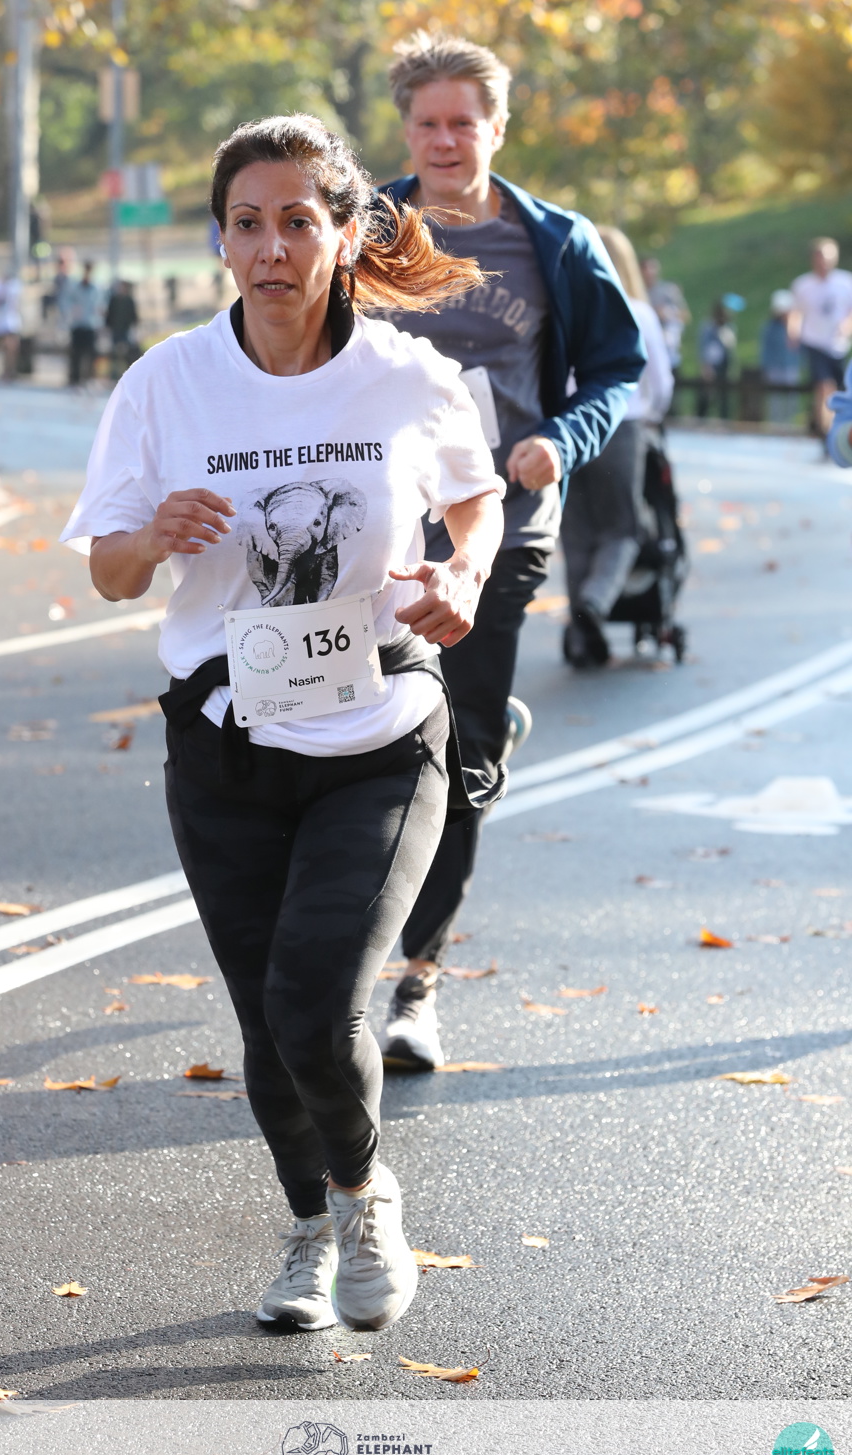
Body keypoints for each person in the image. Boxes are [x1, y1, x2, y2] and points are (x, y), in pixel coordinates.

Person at [59, 114, 505, 1334]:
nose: (271, 248)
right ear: (220, 241)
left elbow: (474, 501)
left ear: (345, 236)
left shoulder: (407, 375)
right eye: (247, 224)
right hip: (226, 748)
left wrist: (461, 574)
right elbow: (108, 571)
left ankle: (365, 1200)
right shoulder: (166, 383)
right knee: (267, 1019)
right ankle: (309, 1225)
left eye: (297, 222)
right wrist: (153, 536)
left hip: (380, 734)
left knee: (315, 1000)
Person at [374, 30, 645, 1068]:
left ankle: (416, 981)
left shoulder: (557, 242)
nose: (445, 140)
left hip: (502, 513)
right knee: (357, 728)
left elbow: (616, 367)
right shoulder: (365, 230)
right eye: (427, 123)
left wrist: (560, 440)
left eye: (463, 122)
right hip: (380, 514)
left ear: (497, 128)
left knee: (457, 753)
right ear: (407, 130)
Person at [560, 226, 673, 668]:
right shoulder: (639, 312)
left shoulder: (565, 308)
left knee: (577, 535)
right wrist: (651, 415)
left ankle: (582, 636)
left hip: (568, 428)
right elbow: (659, 382)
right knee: (622, 528)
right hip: (622, 427)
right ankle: (596, 600)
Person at [788, 237, 852, 439]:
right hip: (814, 342)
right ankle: (826, 434)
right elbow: (796, 311)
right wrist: (793, 331)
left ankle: (837, 431)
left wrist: (847, 326)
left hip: (838, 344)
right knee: (824, 388)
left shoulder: (846, 282)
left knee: (841, 393)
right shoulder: (803, 284)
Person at [760, 290, 802, 424]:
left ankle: (789, 423)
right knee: (775, 400)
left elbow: (800, 348)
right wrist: (766, 367)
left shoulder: (795, 328)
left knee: (791, 400)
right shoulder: (769, 327)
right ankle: (775, 424)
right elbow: (765, 350)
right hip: (774, 368)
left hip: (791, 367)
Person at [641, 256, 690, 372]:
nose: (650, 272)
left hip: (669, 351)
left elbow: (685, 315)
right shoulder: (637, 292)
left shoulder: (668, 290)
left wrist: (668, 313)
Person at [61, 260, 105, 387]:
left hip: (91, 324)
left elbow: (101, 305)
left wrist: (99, 318)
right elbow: (66, 302)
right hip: (78, 324)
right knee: (76, 353)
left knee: (91, 354)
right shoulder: (76, 287)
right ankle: (74, 379)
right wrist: (72, 312)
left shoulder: (97, 288)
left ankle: (89, 378)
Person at [696, 299, 736, 419]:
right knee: (706, 396)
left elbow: (730, 349)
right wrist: (706, 367)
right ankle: (701, 419)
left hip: (723, 366)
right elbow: (703, 347)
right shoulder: (708, 327)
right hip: (711, 365)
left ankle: (724, 420)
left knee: (723, 396)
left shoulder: (728, 328)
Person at [105, 279, 140, 379]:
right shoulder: (114, 300)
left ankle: (128, 373)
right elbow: (110, 315)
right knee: (114, 353)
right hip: (115, 329)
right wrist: (108, 326)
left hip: (126, 329)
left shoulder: (129, 301)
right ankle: (114, 374)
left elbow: (133, 316)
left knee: (127, 352)